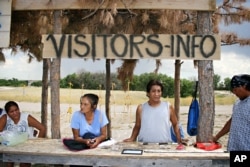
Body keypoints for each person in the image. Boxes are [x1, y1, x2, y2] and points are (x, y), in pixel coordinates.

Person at [123, 79, 184, 149]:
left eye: (159, 91)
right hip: (144, 145)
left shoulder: (168, 106)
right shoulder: (141, 108)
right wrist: (132, 138)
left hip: (165, 145)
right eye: (153, 91)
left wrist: (179, 140)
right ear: (148, 93)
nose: (156, 94)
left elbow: (175, 124)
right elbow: (137, 126)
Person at [0, 101, 46, 167]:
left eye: (16, 110)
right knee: (9, 162)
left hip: (26, 147)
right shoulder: (5, 118)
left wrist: (37, 144)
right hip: (11, 146)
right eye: (11, 112)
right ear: (7, 113)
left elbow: (42, 128)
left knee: (24, 164)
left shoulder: (26, 117)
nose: (15, 113)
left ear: (19, 109)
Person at [213, 74, 250, 151]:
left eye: (236, 89)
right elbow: (233, 121)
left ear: (245, 86)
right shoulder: (237, 103)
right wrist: (216, 137)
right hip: (234, 148)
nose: (234, 92)